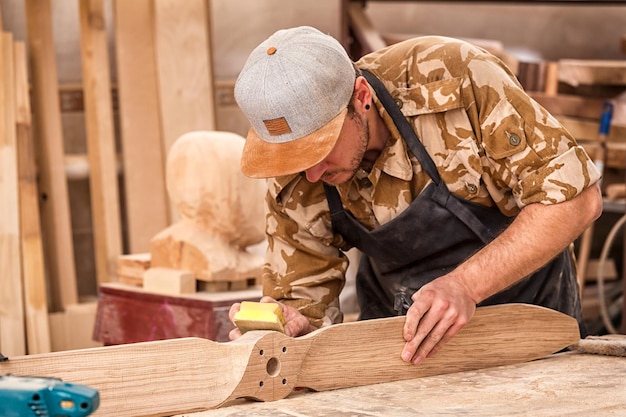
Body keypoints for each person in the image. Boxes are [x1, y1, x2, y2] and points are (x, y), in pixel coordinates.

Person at [229, 26, 603, 364]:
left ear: (361, 97)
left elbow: (576, 200)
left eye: (320, 149)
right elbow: (303, 307)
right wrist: (291, 332)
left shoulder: (453, 77)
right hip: (404, 345)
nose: (312, 173)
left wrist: (466, 284)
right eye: (296, 157)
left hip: (527, 320)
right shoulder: (295, 169)